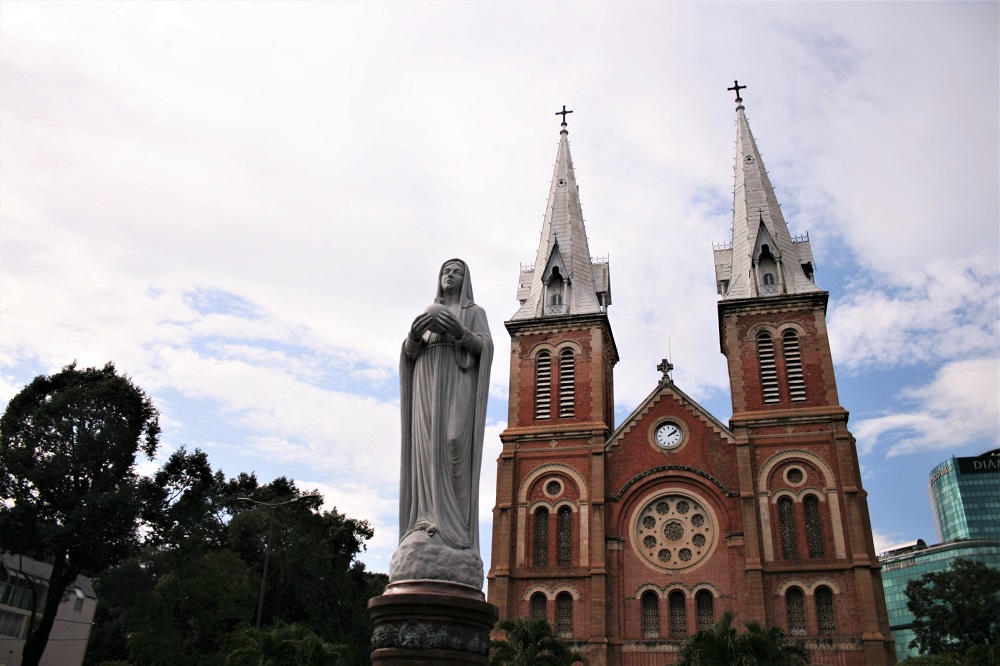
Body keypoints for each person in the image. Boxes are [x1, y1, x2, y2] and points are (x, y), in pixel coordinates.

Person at [398, 258, 492, 553]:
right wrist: (413, 336)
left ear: (466, 281)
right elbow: (409, 354)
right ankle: (425, 520)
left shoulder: (473, 312)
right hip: (426, 383)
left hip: (457, 379)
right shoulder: (425, 314)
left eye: (457, 272)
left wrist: (461, 332)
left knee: (454, 442)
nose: (450, 276)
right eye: (445, 272)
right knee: (426, 450)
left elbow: (484, 348)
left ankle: (456, 527)